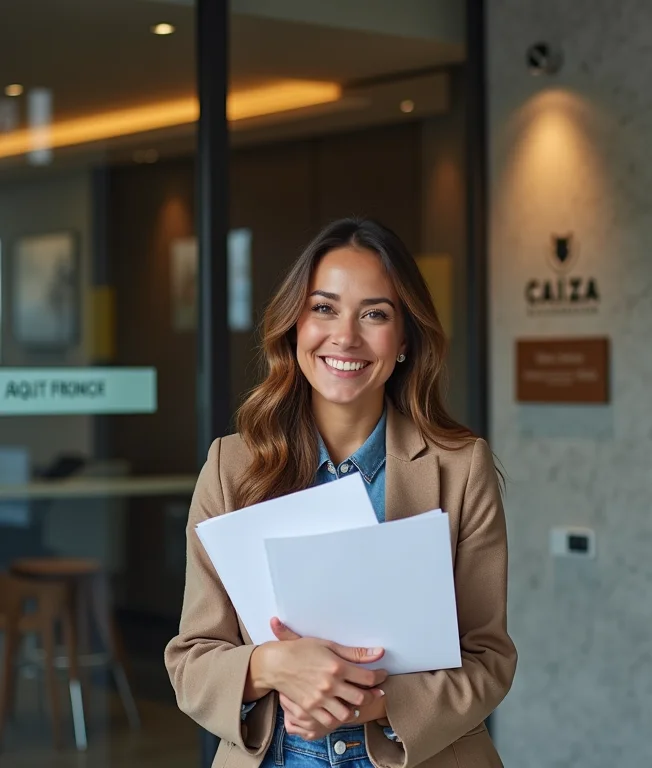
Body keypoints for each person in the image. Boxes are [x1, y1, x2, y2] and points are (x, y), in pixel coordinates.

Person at [165, 218, 517, 768]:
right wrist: (273, 668)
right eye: (324, 308)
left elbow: (488, 659)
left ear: (403, 339)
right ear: (294, 325)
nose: (345, 336)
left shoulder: (459, 468)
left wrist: (377, 705)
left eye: (374, 313)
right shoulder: (230, 466)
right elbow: (191, 661)